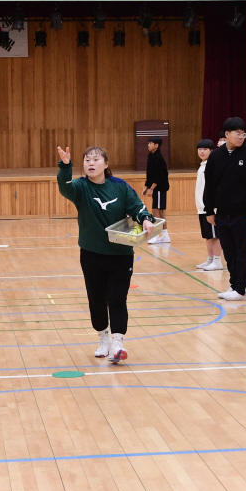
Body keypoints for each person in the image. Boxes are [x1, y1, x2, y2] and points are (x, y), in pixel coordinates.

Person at [56, 145, 154, 363]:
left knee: (118, 298)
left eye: (96, 160)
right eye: (87, 160)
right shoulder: (81, 187)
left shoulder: (120, 186)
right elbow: (64, 188)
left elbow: (137, 207)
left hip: (121, 255)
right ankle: (103, 339)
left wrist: (146, 219)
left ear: (106, 164)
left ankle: (118, 343)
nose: (91, 163)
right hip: (91, 254)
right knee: (96, 299)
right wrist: (65, 166)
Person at [202, 117, 246, 301]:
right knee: (229, 252)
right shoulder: (216, 156)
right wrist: (209, 210)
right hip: (222, 214)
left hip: (244, 215)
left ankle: (243, 289)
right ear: (227, 134)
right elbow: (210, 185)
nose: (241, 137)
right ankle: (234, 285)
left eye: (243, 133)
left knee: (243, 251)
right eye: (237, 133)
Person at [194, 140, 222, 271]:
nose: (202, 151)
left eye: (205, 149)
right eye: (200, 149)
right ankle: (210, 259)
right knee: (208, 235)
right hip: (201, 208)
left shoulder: (212, 166)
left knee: (215, 235)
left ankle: (217, 260)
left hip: (210, 208)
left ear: (212, 151)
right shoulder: (202, 166)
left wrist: (211, 206)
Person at [143, 137, 170, 243]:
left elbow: (159, 176)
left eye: (150, 143)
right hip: (156, 188)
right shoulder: (151, 156)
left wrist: (152, 188)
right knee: (159, 211)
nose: (148, 145)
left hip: (159, 188)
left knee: (156, 210)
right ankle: (165, 236)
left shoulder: (158, 157)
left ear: (156, 145)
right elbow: (150, 175)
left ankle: (155, 235)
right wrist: (146, 187)